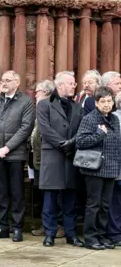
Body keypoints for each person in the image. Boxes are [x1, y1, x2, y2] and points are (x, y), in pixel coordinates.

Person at [0, 70, 35, 242]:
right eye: (2, 80)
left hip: (15, 155)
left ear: (17, 83)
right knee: (0, 192)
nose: (4, 83)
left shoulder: (26, 102)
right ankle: (2, 227)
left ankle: (17, 227)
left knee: (17, 192)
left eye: (8, 80)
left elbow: (26, 127)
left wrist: (7, 147)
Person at [36, 72, 85, 247]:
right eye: (71, 83)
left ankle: (71, 235)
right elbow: (44, 129)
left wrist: (71, 143)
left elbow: (82, 128)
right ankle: (49, 234)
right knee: (50, 199)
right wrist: (61, 143)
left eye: (74, 83)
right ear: (60, 85)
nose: (74, 86)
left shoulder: (78, 106)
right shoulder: (44, 105)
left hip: (71, 157)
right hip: (53, 157)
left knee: (70, 200)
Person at [76, 86, 121, 250]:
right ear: (96, 103)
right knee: (93, 205)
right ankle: (90, 237)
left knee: (105, 205)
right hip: (95, 169)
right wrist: (99, 134)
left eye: (109, 101)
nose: (107, 104)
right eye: (103, 102)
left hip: (111, 168)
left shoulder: (114, 119)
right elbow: (80, 142)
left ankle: (102, 236)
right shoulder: (90, 119)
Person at [30, 80, 64, 237]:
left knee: (54, 195)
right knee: (43, 194)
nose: (35, 94)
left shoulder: (51, 107)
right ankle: (47, 224)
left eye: (38, 91)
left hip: (49, 159)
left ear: (47, 93)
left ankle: (57, 226)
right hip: (38, 159)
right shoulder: (40, 108)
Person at [108, 92, 121, 246]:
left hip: (115, 169)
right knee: (115, 203)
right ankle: (115, 234)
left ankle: (116, 233)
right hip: (116, 169)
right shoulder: (115, 118)